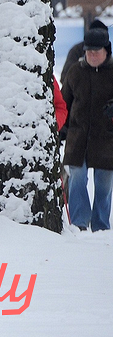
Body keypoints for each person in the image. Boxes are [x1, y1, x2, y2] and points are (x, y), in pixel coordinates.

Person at [61, 26, 113, 231]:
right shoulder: (76, 71)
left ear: (106, 51)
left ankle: (100, 225)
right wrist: (62, 130)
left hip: (106, 139)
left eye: (96, 51)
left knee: (104, 184)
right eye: (88, 51)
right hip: (78, 137)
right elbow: (64, 102)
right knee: (77, 178)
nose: (91, 55)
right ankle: (79, 222)